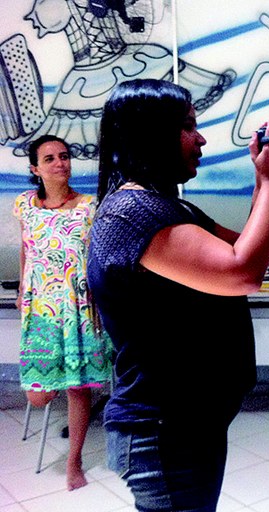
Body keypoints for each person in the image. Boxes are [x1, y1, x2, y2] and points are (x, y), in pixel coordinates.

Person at [86, 78, 269, 511]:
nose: (200, 138)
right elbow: (243, 273)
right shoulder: (132, 213)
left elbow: (245, 249)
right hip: (163, 430)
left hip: (185, 425)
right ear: (150, 134)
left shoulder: (167, 207)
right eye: (187, 126)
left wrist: (264, 180)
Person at [13, 134, 113, 491]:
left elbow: (100, 257)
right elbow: (26, 249)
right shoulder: (25, 205)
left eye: (64, 156)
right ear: (35, 169)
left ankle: (74, 462)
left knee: (77, 387)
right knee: (38, 394)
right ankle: (62, 381)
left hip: (78, 309)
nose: (60, 163)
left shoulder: (89, 207)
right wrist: (22, 289)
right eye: (50, 158)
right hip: (40, 310)